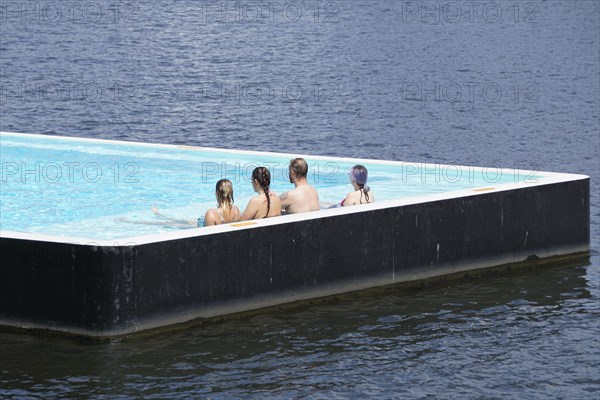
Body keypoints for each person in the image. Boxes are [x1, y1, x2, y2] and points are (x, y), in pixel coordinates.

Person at [119, 179, 239, 228]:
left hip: (197, 225)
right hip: (199, 222)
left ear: (217, 193)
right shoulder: (236, 211)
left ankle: (131, 221)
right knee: (174, 220)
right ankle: (159, 214)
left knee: (168, 223)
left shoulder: (212, 213)